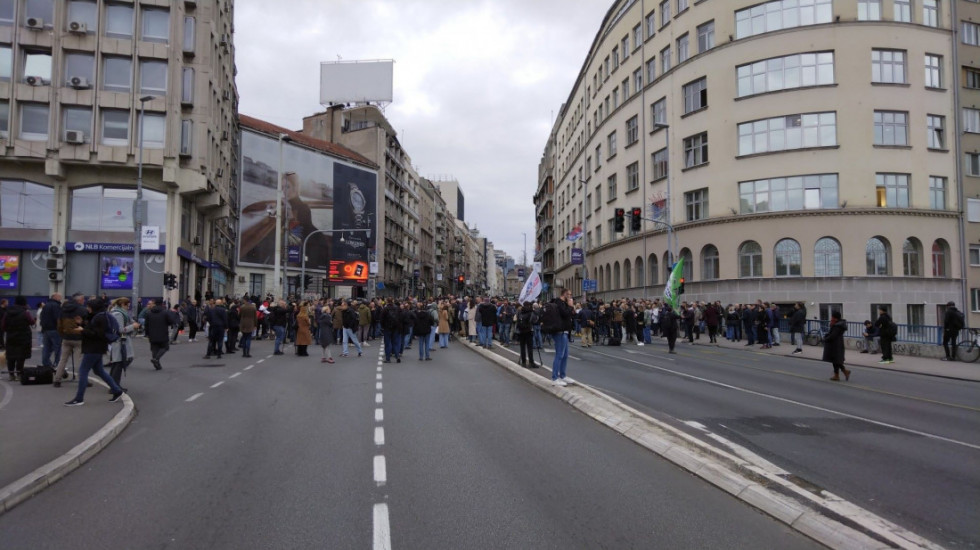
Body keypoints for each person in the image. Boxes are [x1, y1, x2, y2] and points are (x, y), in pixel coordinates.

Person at [64, 299, 126, 406]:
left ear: (94, 307)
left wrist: (82, 330)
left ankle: (79, 398)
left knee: (83, 371)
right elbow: (94, 331)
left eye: (89, 306)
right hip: (97, 347)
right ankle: (117, 390)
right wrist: (82, 324)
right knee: (99, 371)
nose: (87, 308)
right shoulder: (100, 315)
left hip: (93, 348)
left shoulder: (100, 318)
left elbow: (97, 334)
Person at [53, 292, 86, 387]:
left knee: (62, 359)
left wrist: (62, 334)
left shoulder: (63, 309)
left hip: (66, 337)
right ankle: (82, 380)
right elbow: (86, 324)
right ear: (79, 300)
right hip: (78, 338)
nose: (84, 301)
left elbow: (59, 324)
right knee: (79, 360)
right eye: (83, 299)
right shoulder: (82, 310)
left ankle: (57, 380)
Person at [544, 288, 574, 386]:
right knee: (559, 355)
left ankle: (563, 375)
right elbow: (565, 314)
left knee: (565, 355)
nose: (570, 297)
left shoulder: (563, 303)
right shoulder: (558, 303)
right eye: (569, 295)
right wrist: (570, 306)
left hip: (564, 331)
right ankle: (554, 377)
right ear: (564, 294)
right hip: (559, 331)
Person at [107, 298, 139, 386]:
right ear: (122, 305)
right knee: (119, 363)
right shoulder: (118, 314)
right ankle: (114, 386)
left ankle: (113, 384)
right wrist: (133, 326)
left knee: (117, 363)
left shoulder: (119, 312)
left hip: (119, 340)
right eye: (127, 306)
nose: (128, 308)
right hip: (119, 340)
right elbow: (120, 329)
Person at [2, 296, 35, 381]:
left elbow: (3, 325)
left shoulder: (7, 312)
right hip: (23, 336)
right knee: (21, 356)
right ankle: (19, 373)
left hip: (11, 336)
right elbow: (32, 322)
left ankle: (11, 374)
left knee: (11, 356)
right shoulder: (25, 312)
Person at [143, 299, 175, 370]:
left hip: (152, 334)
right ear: (162, 304)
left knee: (154, 349)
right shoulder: (165, 312)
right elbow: (171, 321)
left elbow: (146, 325)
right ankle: (156, 359)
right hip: (163, 333)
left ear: (154, 304)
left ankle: (157, 364)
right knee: (165, 347)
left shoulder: (149, 313)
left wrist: (147, 334)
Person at [823, 311, 851, 381]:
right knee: (836, 360)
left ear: (835, 318)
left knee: (836, 360)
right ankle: (841, 373)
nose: (831, 318)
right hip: (837, 344)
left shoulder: (837, 326)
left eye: (832, 317)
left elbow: (833, 336)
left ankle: (841, 373)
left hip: (835, 344)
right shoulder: (839, 324)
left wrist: (825, 339)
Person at [39, 292, 63, 369]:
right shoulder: (56, 306)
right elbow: (58, 318)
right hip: (54, 330)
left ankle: (46, 363)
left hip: (46, 330)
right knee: (57, 348)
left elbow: (41, 317)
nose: (60, 299)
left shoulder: (45, 306)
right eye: (59, 297)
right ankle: (57, 364)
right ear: (55, 297)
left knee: (46, 348)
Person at [515, 301, 538, 368]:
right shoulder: (531, 312)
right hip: (528, 331)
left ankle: (523, 362)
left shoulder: (520, 311)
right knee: (529, 348)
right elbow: (534, 321)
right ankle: (531, 362)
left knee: (522, 347)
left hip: (521, 331)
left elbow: (517, 320)